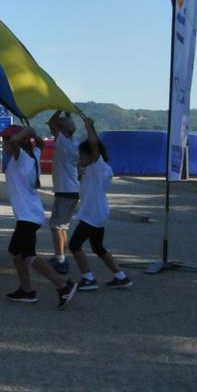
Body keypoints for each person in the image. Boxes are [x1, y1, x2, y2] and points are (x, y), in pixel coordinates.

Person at [0, 125, 78, 309]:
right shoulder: (33, 152)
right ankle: (27, 290)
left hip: (28, 216)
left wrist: (28, 130)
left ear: (16, 141)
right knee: (18, 253)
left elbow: (15, 141)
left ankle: (63, 285)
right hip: (29, 214)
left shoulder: (23, 157)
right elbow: (39, 143)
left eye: (4, 140)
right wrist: (31, 135)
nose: (3, 144)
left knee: (25, 254)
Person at [71, 117, 131, 291]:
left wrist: (89, 126)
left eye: (82, 154)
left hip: (93, 214)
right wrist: (79, 170)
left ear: (91, 155)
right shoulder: (92, 168)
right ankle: (121, 276)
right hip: (97, 212)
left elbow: (94, 144)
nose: (79, 157)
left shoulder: (99, 167)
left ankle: (88, 278)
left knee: (74, 245)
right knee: (98, 247)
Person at [47, 111, 80, 275]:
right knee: (63, 227)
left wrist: (58, 107)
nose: (52, 132)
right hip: (72, 190)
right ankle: (60, 256)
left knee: (56, 227)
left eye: (55, 130)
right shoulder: (74, 142)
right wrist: (67, 111)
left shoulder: (62, 143)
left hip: (64, 191)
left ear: (60, 130)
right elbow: (67, 126)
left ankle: (60, 260)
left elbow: (51, 121)